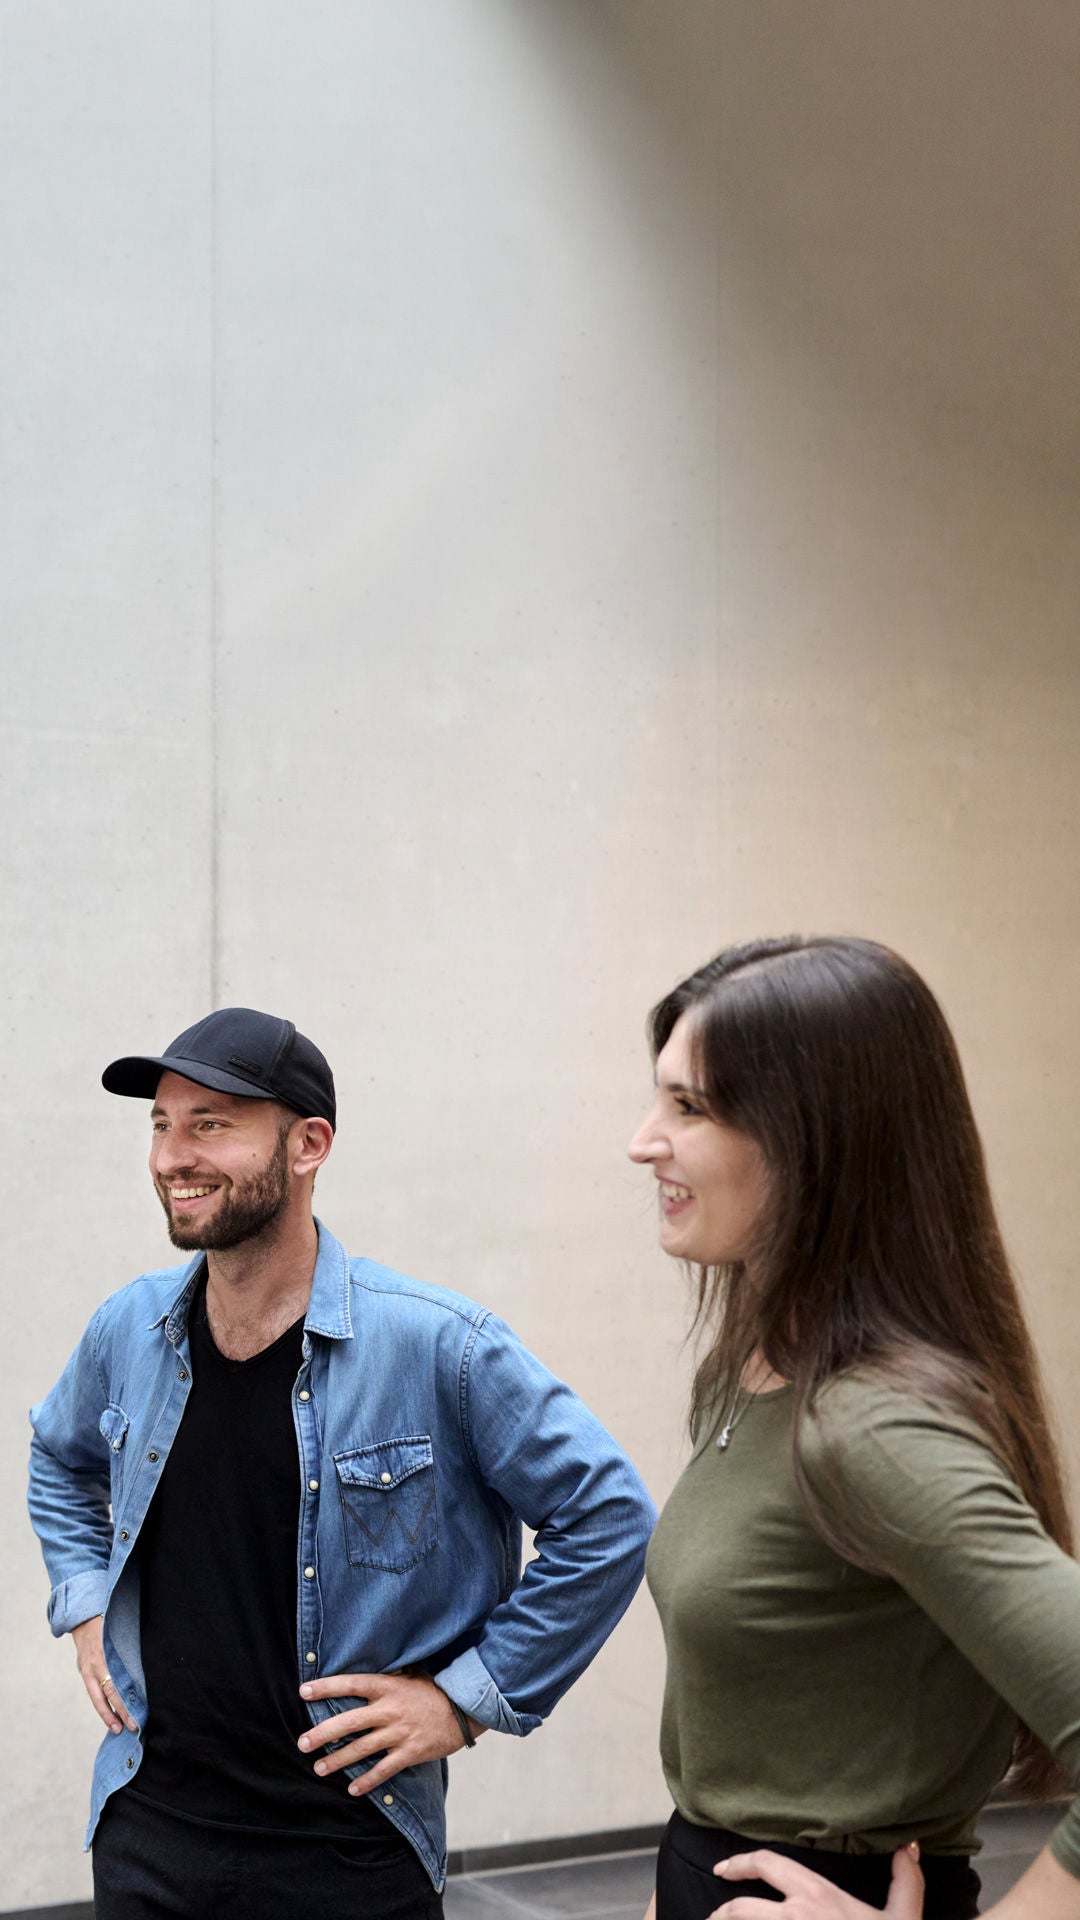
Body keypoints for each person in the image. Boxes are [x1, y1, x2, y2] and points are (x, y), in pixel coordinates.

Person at [29, 1006, 655, 1920]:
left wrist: (463, 1702)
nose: (171, 1157)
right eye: (161, 1124)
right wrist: (83, 1603)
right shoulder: (129, 1328)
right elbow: (57, 1454)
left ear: (308, 1144)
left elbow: (607, 1517)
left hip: (352, 1853)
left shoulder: (441, 1345)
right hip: (146, 1837)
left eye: (210, 1123)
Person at [627, 936, 1080, 1920]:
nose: (643, 1139)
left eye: (690, 1107)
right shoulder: (744, 1372)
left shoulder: (870, 1430)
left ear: (812, 1138)